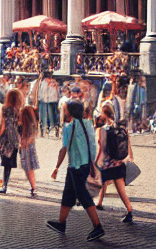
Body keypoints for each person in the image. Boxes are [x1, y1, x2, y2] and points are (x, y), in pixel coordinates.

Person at [48, 99, 104, 241]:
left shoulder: (69, 127)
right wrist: (92, 164)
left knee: (83, 196)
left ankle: (98, 226)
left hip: (76, 166)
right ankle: (61, 223)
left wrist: (56, 167)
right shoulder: (88, 124)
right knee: (68, 194)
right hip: (84, 165)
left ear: (69, 112)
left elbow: (64, 149)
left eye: (65, 109)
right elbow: (92, 146)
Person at [94, 101, 134, 222]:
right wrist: (130, 156)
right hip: (119, 163)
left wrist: (96, 163)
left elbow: (101, 148)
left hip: (107, 164)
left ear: (103, 113)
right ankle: (129, 211)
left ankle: (88, 207)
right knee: (121, 191)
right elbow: (128, 142)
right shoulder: (121, 128)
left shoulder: (103, 130)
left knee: (94, 183)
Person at [0, 87, 23, 194]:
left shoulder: (4, 109)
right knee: (9, 165)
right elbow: (20, 125)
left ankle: (1, 184)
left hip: (5, 137)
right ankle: (5, 184)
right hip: (14, 139)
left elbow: (2, 126)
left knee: (3, 161)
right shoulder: (19, 110)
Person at [19, 104, 40, 196]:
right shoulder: (25, 124)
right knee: (27, 168)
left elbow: (33, 135)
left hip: (27, 149)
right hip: (27, 148)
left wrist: (24, 142)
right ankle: (33, 186)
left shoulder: (30, 125)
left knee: (29, 169)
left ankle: (33, 187)